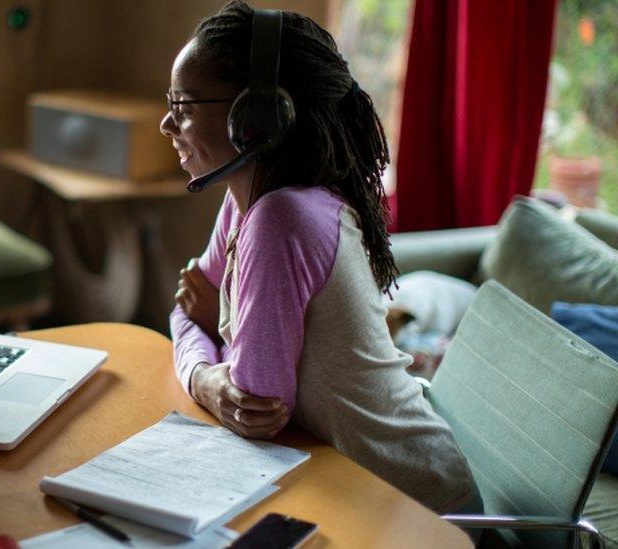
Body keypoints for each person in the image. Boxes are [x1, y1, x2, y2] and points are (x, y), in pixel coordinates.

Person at [164, 2, 476, 515]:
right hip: (340, 478)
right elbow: (183, 307)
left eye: (184, 107)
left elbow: (257, 406)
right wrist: (206, 372)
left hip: (417, 507)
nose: (166, 124)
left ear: (255, 117)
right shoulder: (246, 199)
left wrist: (209, 350)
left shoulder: (281, 217)